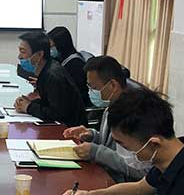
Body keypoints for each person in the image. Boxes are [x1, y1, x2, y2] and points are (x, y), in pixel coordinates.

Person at [62, 55, 144, 183]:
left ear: (113, 85)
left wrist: (96, 152)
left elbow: (137, 168)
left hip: (121, 184)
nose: (91, 92)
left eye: (94, 88)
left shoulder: (134, 114)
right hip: (103, 173)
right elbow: (111, 144)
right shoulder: (111, 105)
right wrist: (92, 135)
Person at [13, 31, 86, 127]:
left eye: (23, 52)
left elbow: (57, 114)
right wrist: (27, 103)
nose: (19, 56)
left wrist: (29, 107)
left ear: (39, 55)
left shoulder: (53, 76)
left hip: (70, 129)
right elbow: (48, 103)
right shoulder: (46, 69)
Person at [47, 26, 91, 107]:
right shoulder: (61, 60)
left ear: (61, 45)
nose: (50, 49)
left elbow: (74, 91)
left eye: (51, 46)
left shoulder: (76, 64)